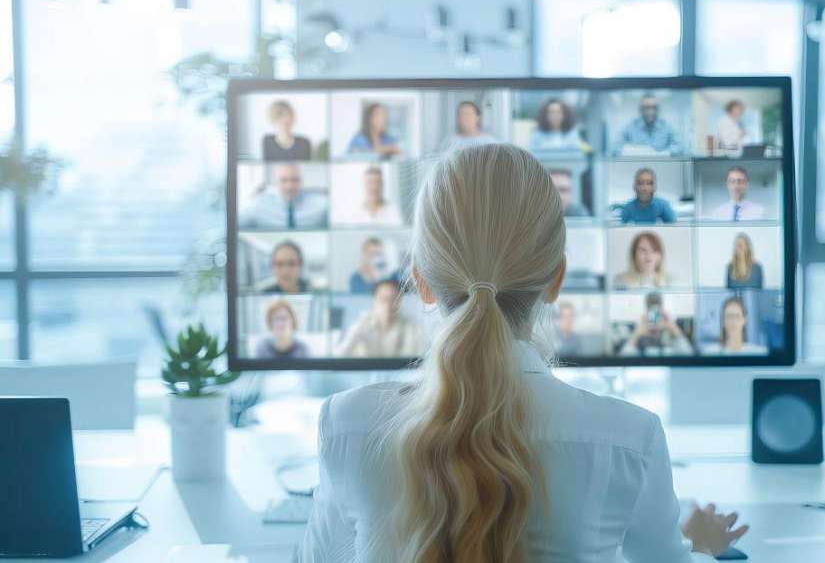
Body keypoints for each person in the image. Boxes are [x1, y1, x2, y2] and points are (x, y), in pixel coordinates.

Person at [303, 144, 746, 562]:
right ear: (556, 280)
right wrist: (702, 546)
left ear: (421, 281)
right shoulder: (629, 438)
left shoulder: (347, 424)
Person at [336, 279, 421, 358]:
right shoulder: (363, 322)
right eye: (383, 299)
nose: (388, 304)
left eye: (394, 299)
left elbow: (411, 360)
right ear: (375, 301)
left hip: (397, 373)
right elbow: (341, 354)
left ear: (400, 302)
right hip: (365, 372)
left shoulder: (409, 325)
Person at [239, 163, 329, 229]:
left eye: (295, 180)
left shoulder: (321, 205)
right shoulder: (258, 205)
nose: (290, 186)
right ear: (275, 182)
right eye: (283, 180)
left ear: (301, 181)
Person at [621, 291, 694, 357]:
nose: (654, 315)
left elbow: (688, 355)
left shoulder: (669, 330)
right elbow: (623, 359)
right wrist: (637, 334)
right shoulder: (639, 331)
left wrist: (672, 328)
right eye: (650, 309)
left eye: (657, 309)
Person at [614, 93, 681, 155]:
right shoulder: (629, 128)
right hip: (636, 167)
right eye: (646, 108)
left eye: (654, 107)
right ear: (640, 109)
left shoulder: (667, 128)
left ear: (658, 109)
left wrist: (660, 154)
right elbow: (616, 149)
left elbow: (679, 148)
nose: (650, 111)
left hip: (662, 167)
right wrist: (634, 151)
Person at [614, 232, 678, 289]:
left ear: (660, 255)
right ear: (634, 254)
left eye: (654, 250)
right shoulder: (621, 280)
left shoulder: (670, 281)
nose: (648, 255)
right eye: (643, 250)